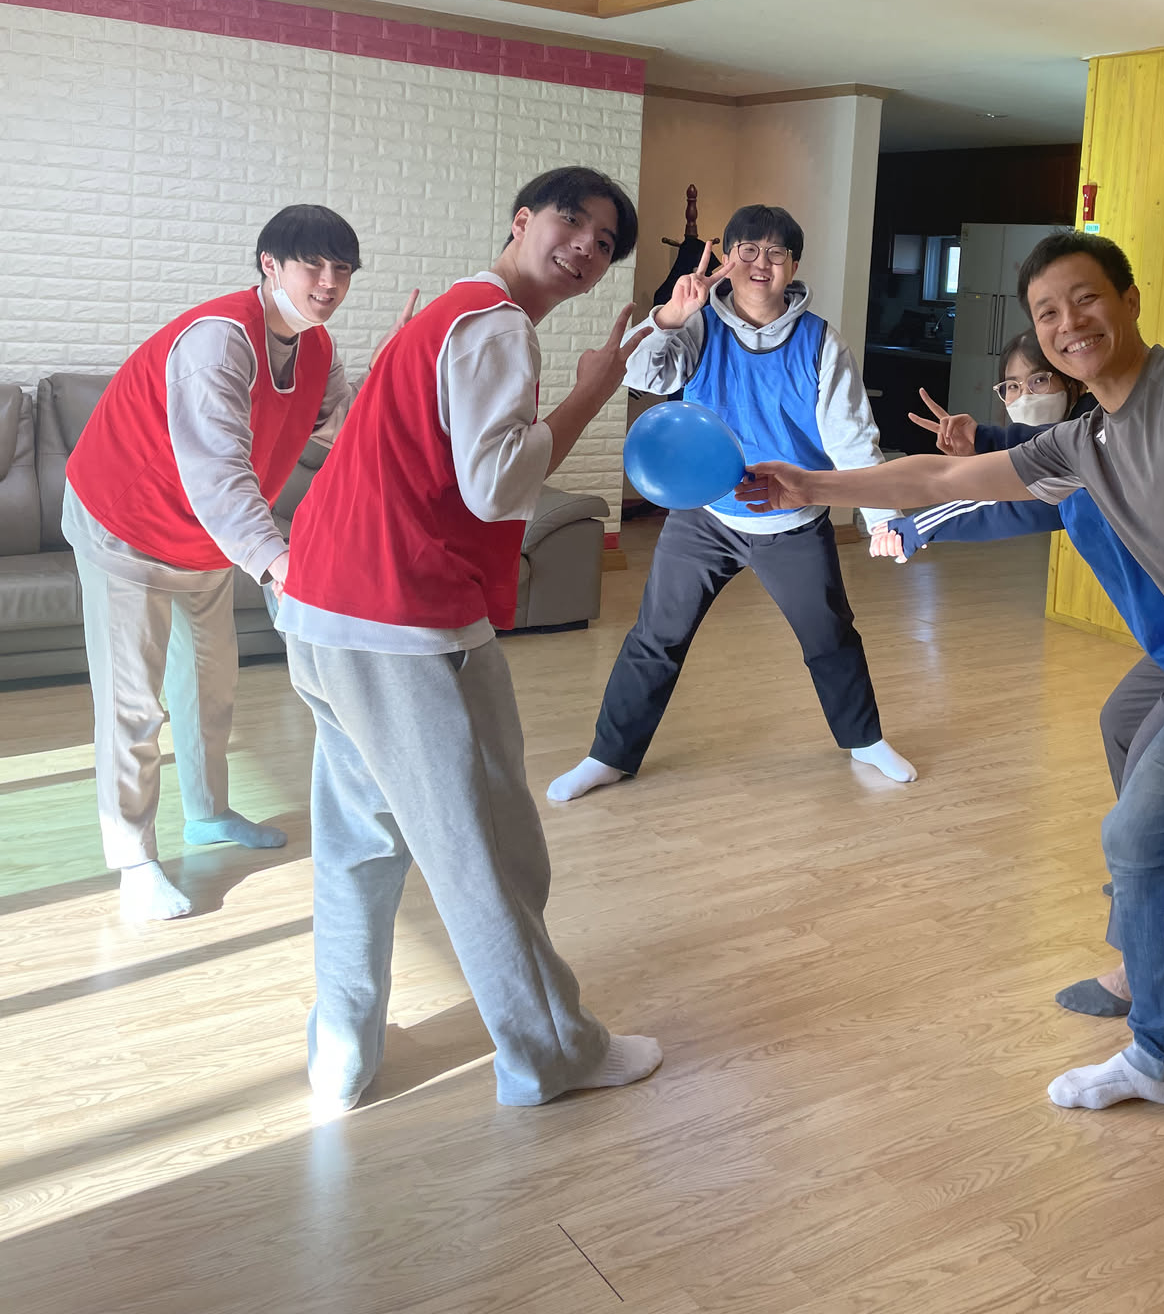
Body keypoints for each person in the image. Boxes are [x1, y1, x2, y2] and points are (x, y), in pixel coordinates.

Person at [737, 228, 1164, 1111]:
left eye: (1086, 298)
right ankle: (1158, 1059)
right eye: (1047, 313)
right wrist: (811, 486)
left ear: (1129, 301)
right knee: (1141, 841)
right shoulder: (1085, 444)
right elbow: (942, 480)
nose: (1068, 323)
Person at [277, 167, 664, 1116]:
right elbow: (495, 490)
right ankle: (550, 1055)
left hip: (323, 609)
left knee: (361, 842)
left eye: (606, 243)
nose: (587, 247)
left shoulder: (448, 315)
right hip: (401, 621)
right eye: (573, 221)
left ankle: (342, 1053)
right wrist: (591, 392)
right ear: (522, 220)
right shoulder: (496, 326)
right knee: (486, 846)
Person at [63, 204, 394, 923]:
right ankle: (133, 859)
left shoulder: (318, 348)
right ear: (270, 265)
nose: (330, 282)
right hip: (125, 525)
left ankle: (207, 814)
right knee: (132, 705)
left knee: (209, 687)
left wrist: (394, 381)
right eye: (313, 265)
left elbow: (343, 433)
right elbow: (218, 473)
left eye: (343, 269)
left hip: (204, 543)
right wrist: (279, 564)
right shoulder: (217, 340)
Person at [873, 330, 1164, 1016]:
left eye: (1040, 381)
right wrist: (984, 441)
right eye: (1013, 386)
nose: (1027, 395)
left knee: (1147, 800)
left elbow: (1009, 490)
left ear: (1073, 379)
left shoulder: (1103, 447)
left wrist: (915, 525)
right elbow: (1026, 472)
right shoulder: (1073, 451)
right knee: (1123, 724)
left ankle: (1139, 963)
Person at [548, 204, 915, 805]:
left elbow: (852, 437)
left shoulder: (822, 341)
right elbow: (643, 378)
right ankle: (608, 756)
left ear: (794, 264)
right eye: (748, 250)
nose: (761, 263)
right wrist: (670, 316)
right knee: (656, 637)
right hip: (705, 515)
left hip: (791, 519)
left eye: (776, 252)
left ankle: (865, 740)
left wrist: (882, 519)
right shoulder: (698, 325)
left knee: (829, 637)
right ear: (728, 259)